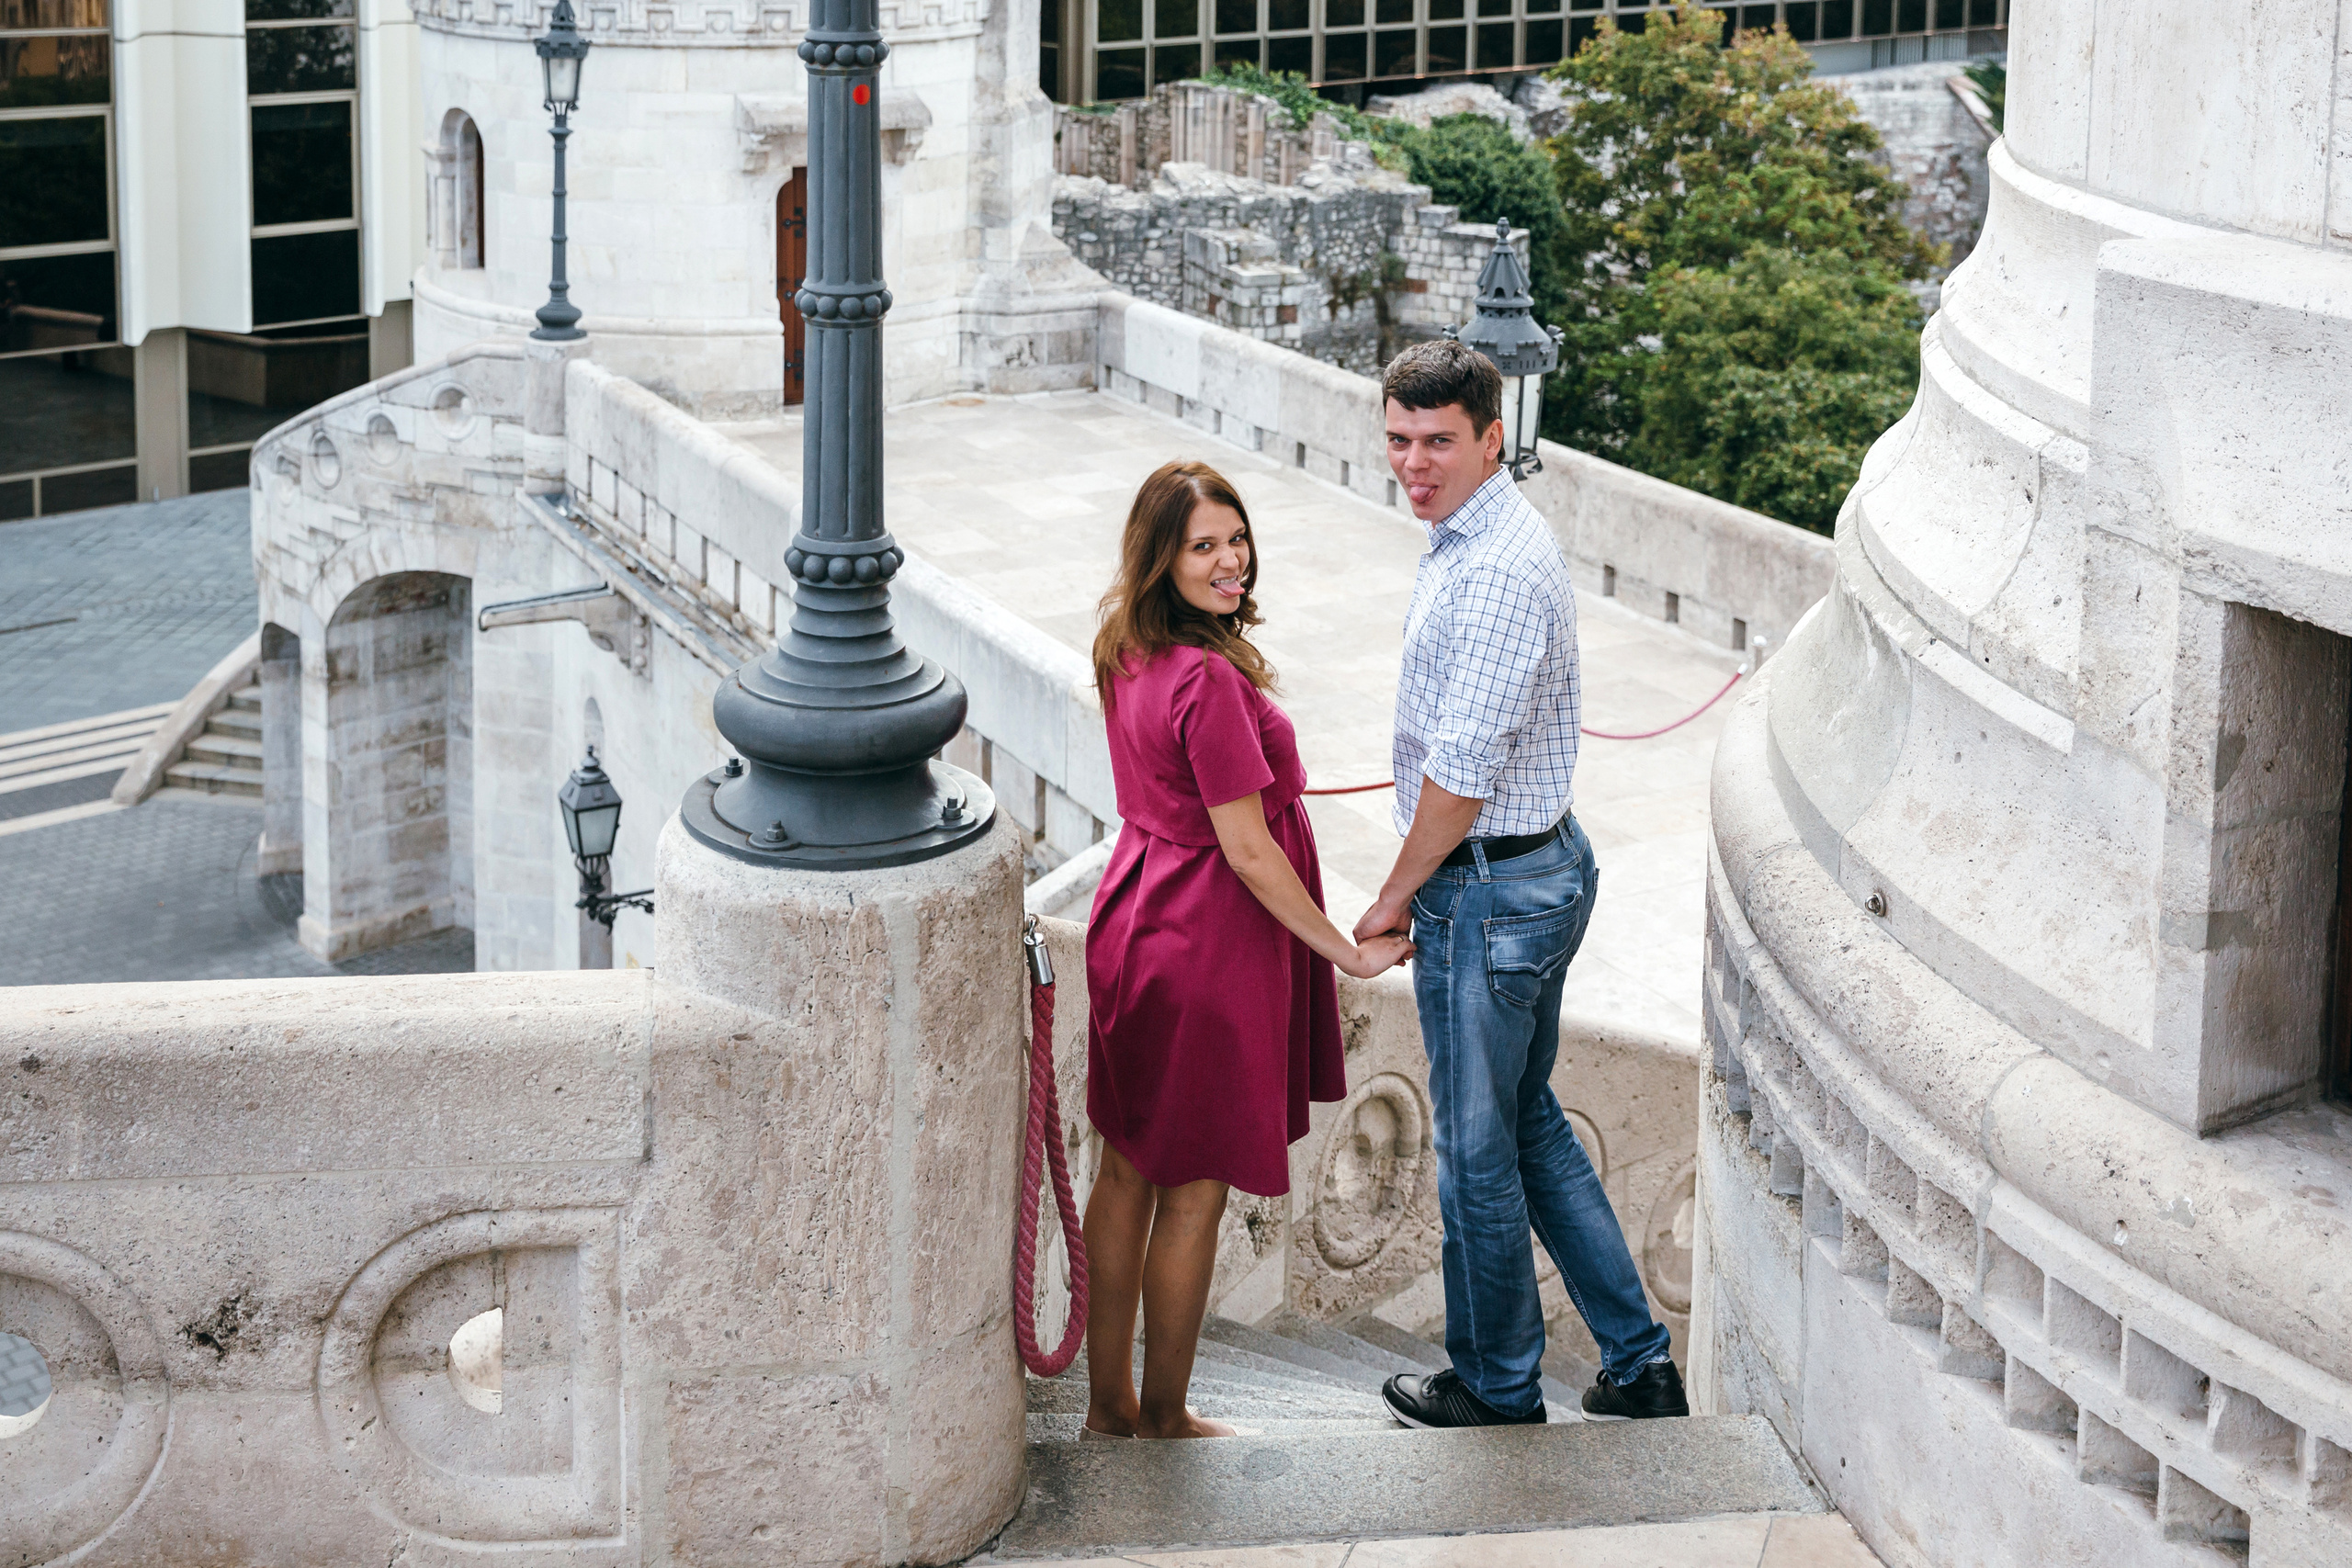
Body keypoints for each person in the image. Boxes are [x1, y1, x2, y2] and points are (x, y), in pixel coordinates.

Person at [1355, 339, 1688, 1428]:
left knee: (1475, 1157)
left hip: (1489, 893)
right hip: (1537, 871)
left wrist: (1396, 894)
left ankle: (1497, 1386)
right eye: (1399, 439)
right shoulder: (1475, 532)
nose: (1414, 462)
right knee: (1529, 1121)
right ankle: (1638, 1365)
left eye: (1438, 442)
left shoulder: (1493, 566)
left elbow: (1458, 780)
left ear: (1493, 439)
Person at [1081, 459, 1414, 1440]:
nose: (1231, 562)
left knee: (1124, 1169)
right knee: (1192, 1192)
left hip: (1132, 919)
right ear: (1161, 559)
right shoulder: (1209, 681)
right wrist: (1347, 954)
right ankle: (1167, 1415)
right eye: (1203, 547)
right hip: (1205, 945)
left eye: (1236, 539)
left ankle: (1109, 1406)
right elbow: (1250, 852)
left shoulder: (1125, 648)